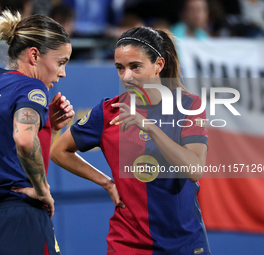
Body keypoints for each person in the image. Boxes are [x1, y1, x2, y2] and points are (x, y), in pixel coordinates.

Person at [50, 27, 211, 254]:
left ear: (159, 65)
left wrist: (150, 128)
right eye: (120, 68)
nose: (127, 76)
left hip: (184, 242)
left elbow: (194, 169)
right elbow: (59, 151)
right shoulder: (108, 112)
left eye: (135, 66)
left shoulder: (189, 107)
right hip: (128, 244)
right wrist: (106, 183)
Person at [0, 10, 74, 255]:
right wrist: (43, 189)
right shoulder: (31, 86)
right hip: (19, 219)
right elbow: (24, 140)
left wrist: (50, 130)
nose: (63, 73)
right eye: (61, 62)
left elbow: (7, 153)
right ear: (34, 55)